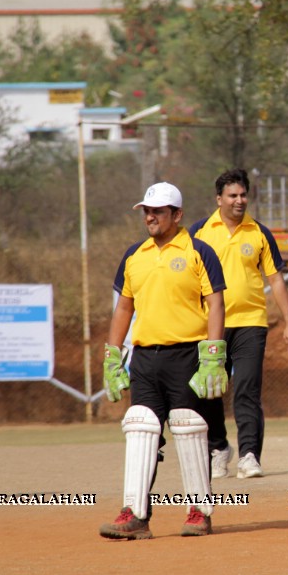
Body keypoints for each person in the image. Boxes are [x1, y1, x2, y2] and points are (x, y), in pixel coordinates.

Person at [99, 182, 228, 540]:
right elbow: (124, 307)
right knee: (140, 428)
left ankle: (199, 512)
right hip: (144, 358)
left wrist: (214, 355)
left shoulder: (199, 251)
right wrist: (113, 357)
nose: (150, 217)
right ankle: (135, 515)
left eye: (158, 211)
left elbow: (215, 303)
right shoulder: (133, 255)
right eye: (147, 211)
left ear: (177, 214)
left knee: (188, 427)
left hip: (187, 355)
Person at [189, 168, 288, 480]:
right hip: (210, 325)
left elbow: (276, 280)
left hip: (251, 323)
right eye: (233, 195)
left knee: (247, 390)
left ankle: (250, 455)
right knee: (211, 390)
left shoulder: (259, 232)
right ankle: (219, 447)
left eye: (243, 195)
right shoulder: (198, 232)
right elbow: (185, 279)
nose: (239, 201)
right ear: (219, 199)